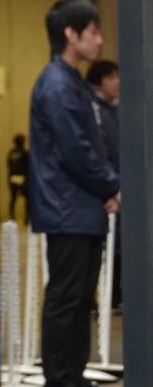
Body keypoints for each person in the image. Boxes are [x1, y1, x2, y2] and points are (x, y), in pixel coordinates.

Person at [29, 0, 122, 387]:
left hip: (81, 207)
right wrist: (111, 186)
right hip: (66, 208)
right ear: (71, 33)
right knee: (65, 300)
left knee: (82, 299)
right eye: (93, 32)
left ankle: (76, 379)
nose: (99, 40)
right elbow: (76, 151)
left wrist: (106, 188)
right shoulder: (57, 84)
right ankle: (59, 386)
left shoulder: (72, 82)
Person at [86, 59, 121, 308]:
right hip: (103, 194)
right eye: (110, 77)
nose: (116, 82)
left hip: (117, 190)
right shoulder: (94, 111)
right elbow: (100, 154)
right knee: (102, 249)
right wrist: (110, 188)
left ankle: (115, 296)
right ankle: (97, 299)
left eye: (117, 76)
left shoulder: (115, 111)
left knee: (118, 247)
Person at [6, 132, 29, 222]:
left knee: (13, 198)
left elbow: (9, 165)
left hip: (12, 178)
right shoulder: (24, 153)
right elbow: (28, 166)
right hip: (22, 178)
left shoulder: (10, 153)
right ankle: (27, 218)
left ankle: (11, 217)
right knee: (27, 198)